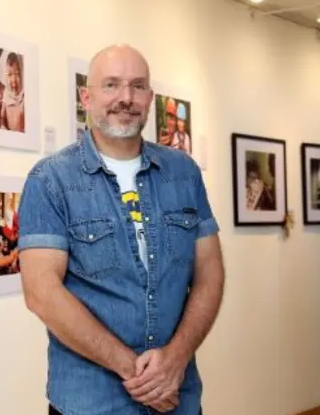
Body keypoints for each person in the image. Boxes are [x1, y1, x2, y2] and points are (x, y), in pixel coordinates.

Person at [17, 44, 224, 415]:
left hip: (178, 397)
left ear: (150, 98)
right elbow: (41, 292)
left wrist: (175, 361)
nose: (125, 98)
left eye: (137, 86)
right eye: (111, 85)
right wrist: (138, 374)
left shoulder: (184, 173)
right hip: (90, 403)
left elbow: (210, 274)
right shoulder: (50, 179)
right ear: (86, 97)